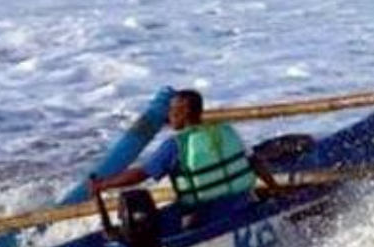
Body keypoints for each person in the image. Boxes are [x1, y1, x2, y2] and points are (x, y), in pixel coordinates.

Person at [90, 89, 277, 222]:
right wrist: (274, 189)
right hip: (243, 201)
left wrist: (103, 184)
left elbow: (141, 174)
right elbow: (254, 162)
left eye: (172, 111)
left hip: (205, 213)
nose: (168, 116)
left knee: (152, 222)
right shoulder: (226, 130)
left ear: (185, 112)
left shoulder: (176, 145)